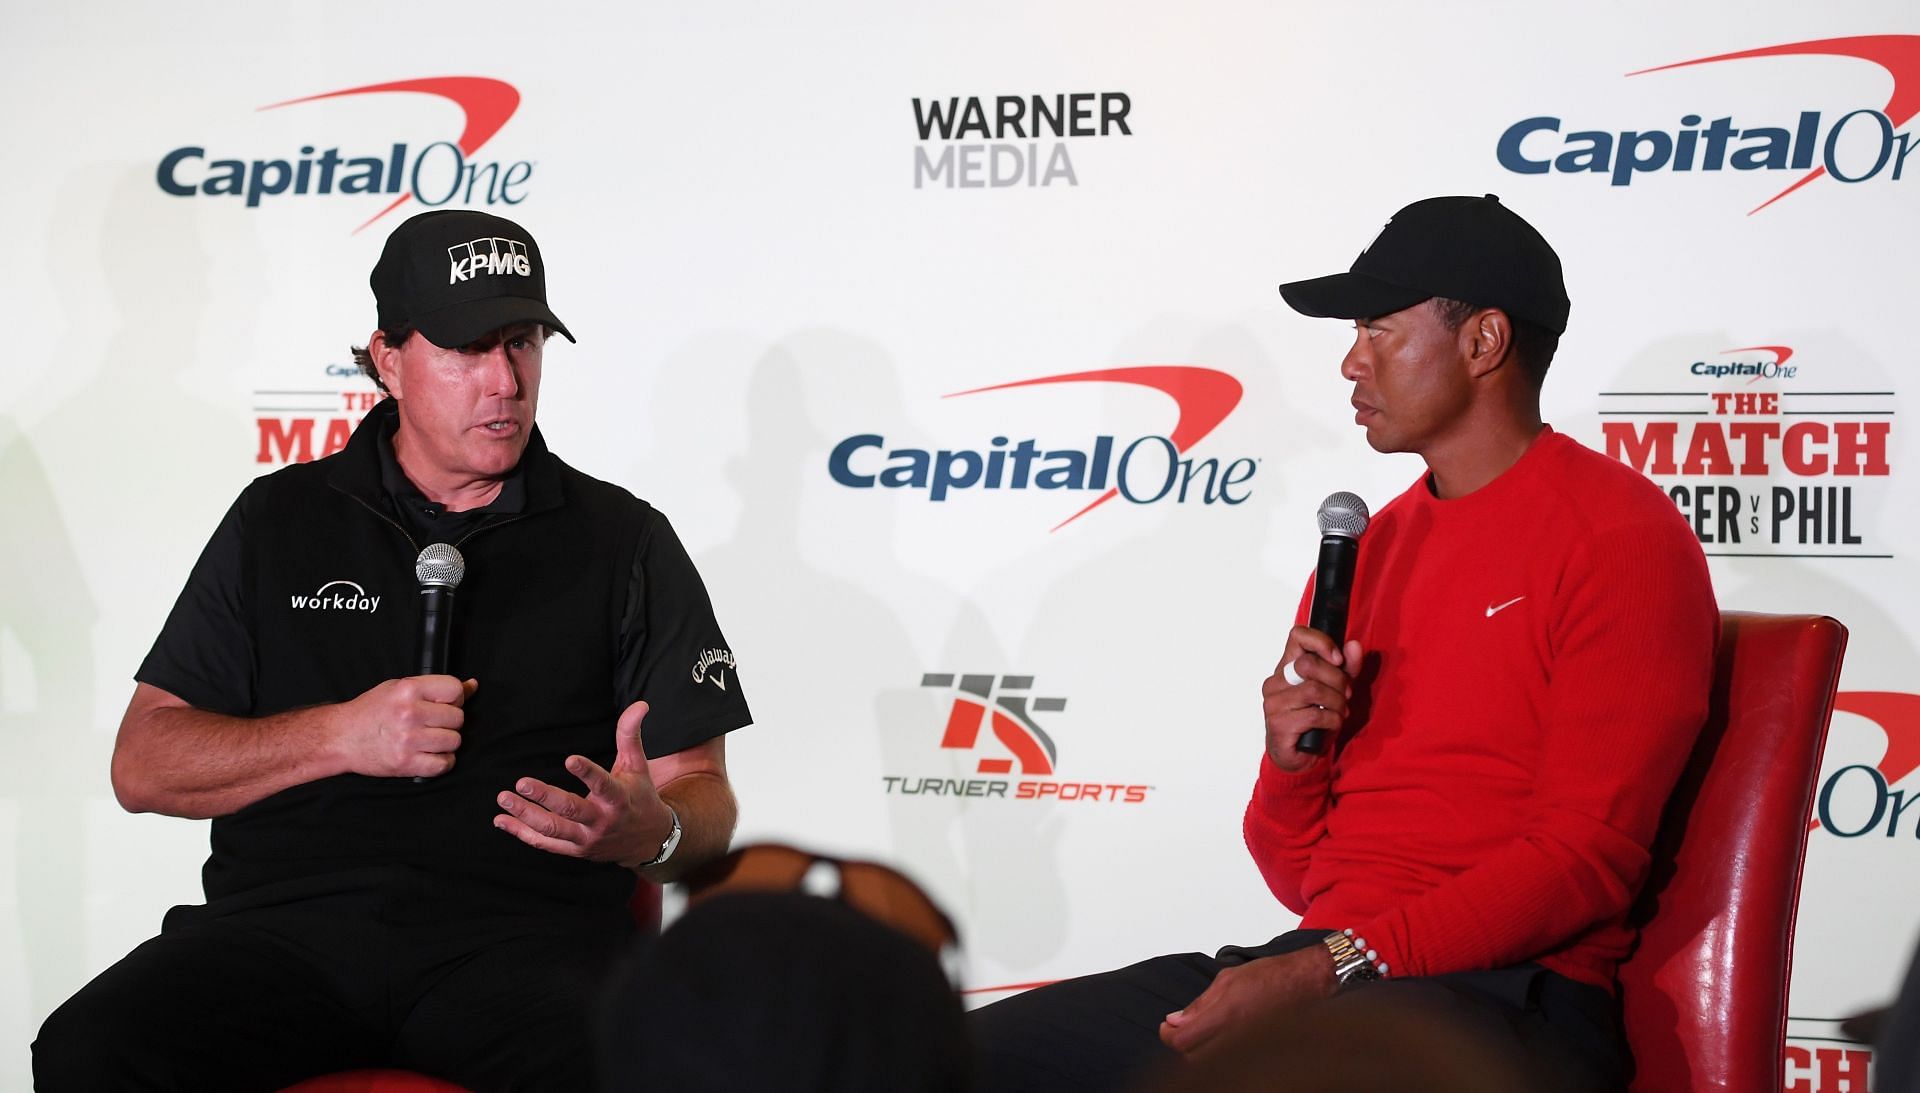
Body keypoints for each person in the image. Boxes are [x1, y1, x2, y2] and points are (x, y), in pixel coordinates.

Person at [970, 195, 1718, 1091]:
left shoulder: (1617, 533)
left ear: (1483, 343)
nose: (1349, 362)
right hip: (1328, 971)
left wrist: (1327, 967)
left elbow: (1580, 863)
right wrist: (1292, 763)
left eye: (1377, 330)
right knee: (938, 1056)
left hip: (1506, 1000)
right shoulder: (1370, 545)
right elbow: (1300, 875)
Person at [33, 209, 753, 1092]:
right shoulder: (277, 520)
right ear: (388, 359)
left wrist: (655, 829)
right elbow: (143, 764)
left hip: (524, 947)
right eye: (466, 347)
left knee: (645, 1059)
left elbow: (705, 799)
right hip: (283, 939)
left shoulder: (624, 540)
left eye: (523, 342)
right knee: (90, 1047)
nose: (505, 381)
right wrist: (339, 735)